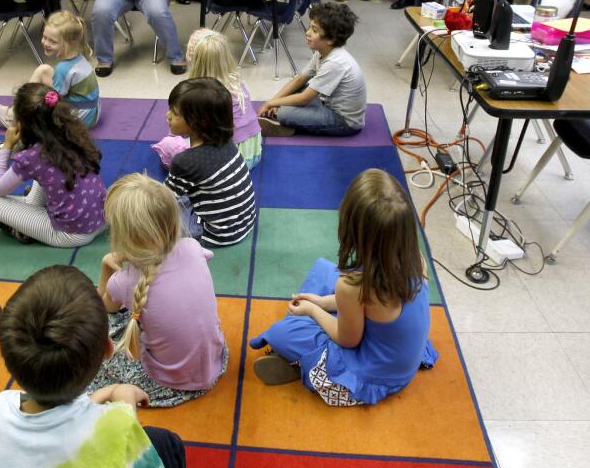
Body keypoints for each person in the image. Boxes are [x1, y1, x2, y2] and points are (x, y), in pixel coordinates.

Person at [0, 264, 185, 468]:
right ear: (108, 348)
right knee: (165, 443)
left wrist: (101, 396)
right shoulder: (116, 425)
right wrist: (125, 408)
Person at [248, 169, 439, 405]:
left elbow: (347, 340)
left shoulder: (352, 288)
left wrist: (312, 310)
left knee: (281, 332)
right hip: (398, 356)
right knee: (325, 271)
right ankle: (303, 360)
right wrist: (321, 301)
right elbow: (366, 303)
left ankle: (306, 366)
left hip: (372, 375)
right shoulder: (415, 259)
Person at [89, 174, 228, 407]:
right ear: (174, 225)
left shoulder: (123, 282)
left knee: (96, 347)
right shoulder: (193, 247)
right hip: (212, 362)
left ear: (121, 238)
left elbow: (105, 310)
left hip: (167, 381)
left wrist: (106, 267)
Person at [0, 83, 107, 247]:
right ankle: (30, 217)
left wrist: (7, 146)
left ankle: (24, 228)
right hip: (103, 219)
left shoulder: (32, 157)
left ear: (22, 123)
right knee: (46, 175)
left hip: (71, 236)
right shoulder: (73, 134)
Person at [164, 78, 257, 247]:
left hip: (215, 233)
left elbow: (164, 200)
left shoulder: (184, 161)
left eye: (175, 113)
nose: (167, 115)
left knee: (155, 213)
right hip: (245, 222)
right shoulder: (225, 140)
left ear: (200, 122)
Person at [153, 28, 262, 170]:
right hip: (253, 152)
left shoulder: (200, 95)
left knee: (168, 145)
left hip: (225, 162)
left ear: (195, 60)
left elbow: (194, 130)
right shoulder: (237, 82)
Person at [258, 1, 366, 137]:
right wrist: (273, 101)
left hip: (344, 122)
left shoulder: (335, 63)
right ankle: (286, 116)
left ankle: (286, 125)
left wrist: (271, 103)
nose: (307, 33)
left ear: (331, 39)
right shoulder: (323, 51)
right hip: (325, 104)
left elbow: (304, 99)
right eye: (309, 27)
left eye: (314, 30)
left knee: (285, 113)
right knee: (299, 86)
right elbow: (300, 79)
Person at [0, 9, 100, 129]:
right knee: (43, 69)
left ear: (70, 43)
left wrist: (33, 98)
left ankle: (16, 116)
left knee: (37, 100)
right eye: (45, 37)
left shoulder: (63, 69)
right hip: (93, 112)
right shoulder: (79, 56)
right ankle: (15, 111)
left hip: (79, 118)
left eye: (53, 41)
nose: (46, 43)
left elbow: (54, 100)